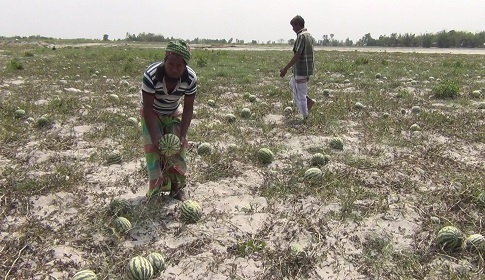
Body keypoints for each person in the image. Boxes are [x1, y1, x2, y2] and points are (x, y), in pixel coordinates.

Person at [140, 40, 197, 201]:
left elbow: (188, 108)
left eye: (179, 66)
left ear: (185, 65)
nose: (174, 69)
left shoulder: (190, 79)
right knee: (153, 151)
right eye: (171, 64)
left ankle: (176, 189)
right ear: (165, 58)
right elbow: (148, 108)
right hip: (152, 112)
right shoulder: (151, 75)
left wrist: (183, 134)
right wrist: (156, 135)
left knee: (177, 150)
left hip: (173, 111)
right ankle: (155, 191)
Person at [280, 15, 316, 120]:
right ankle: (309, 101)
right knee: (292, 84)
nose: (292, 29)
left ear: (298, 25)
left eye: (293, 26)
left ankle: (305, 117)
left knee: (301, 95)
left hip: (301, 69)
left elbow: (298, 54)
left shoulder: (301, 36)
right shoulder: (309, 35)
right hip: (307, 68)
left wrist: (285, 68)